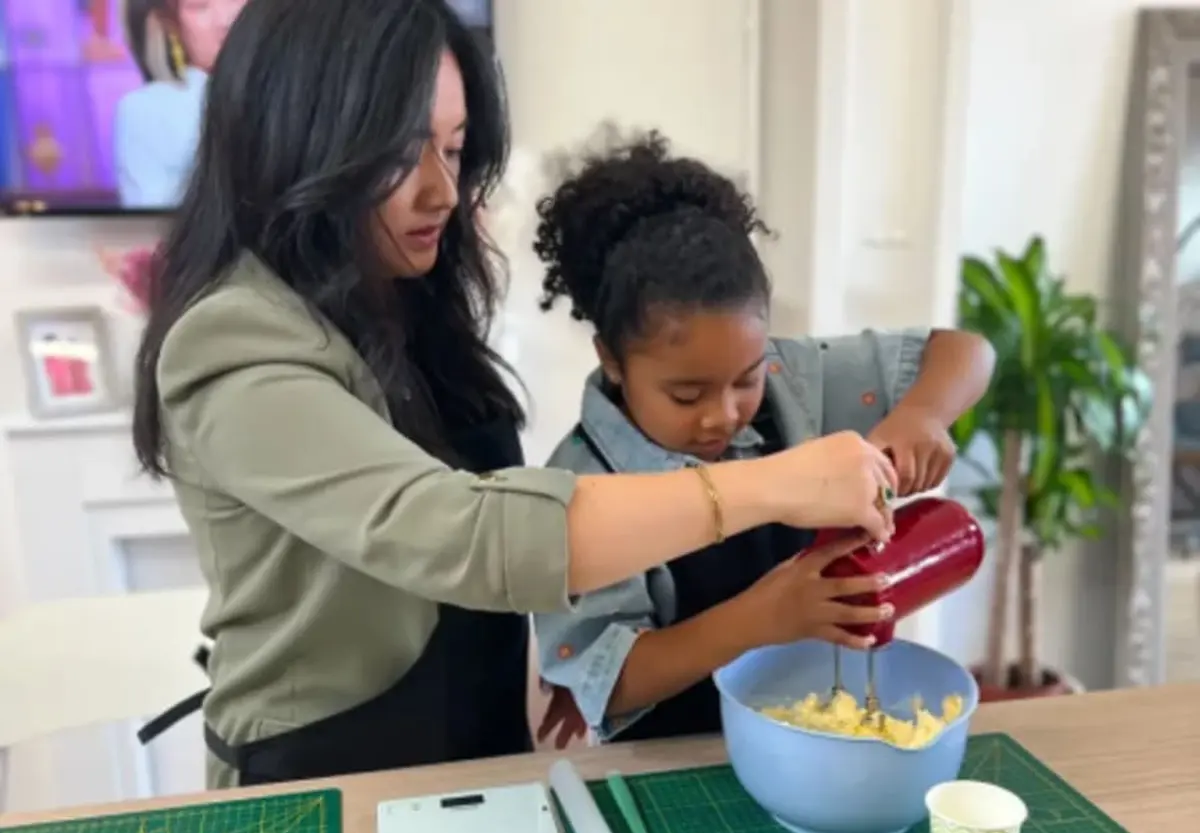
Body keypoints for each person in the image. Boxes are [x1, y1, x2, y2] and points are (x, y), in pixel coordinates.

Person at [130, 0, 901, 790]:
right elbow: (456, 529)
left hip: (472, 750)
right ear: (300, 140)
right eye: (400, 154)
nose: (441, 191)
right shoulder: (232, 340)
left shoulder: (405, 300)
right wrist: (775, 485)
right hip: (321, 776)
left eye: (455, 150)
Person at [532, 133, 995, 748]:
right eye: (687, 396)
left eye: (744, 379)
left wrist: (924, 416)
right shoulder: (579, 486)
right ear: (612, 361)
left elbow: (966, 351)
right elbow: (608, 683)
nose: (722, 416)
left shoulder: (792, 384)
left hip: (808, 733)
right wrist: (765, 617)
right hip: (672, 764)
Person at [114, 0, 248, 208]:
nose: (226, 21)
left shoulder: (297, 91)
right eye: (199, 6)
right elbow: (152, 218)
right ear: (172, 25)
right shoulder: (148, 110)